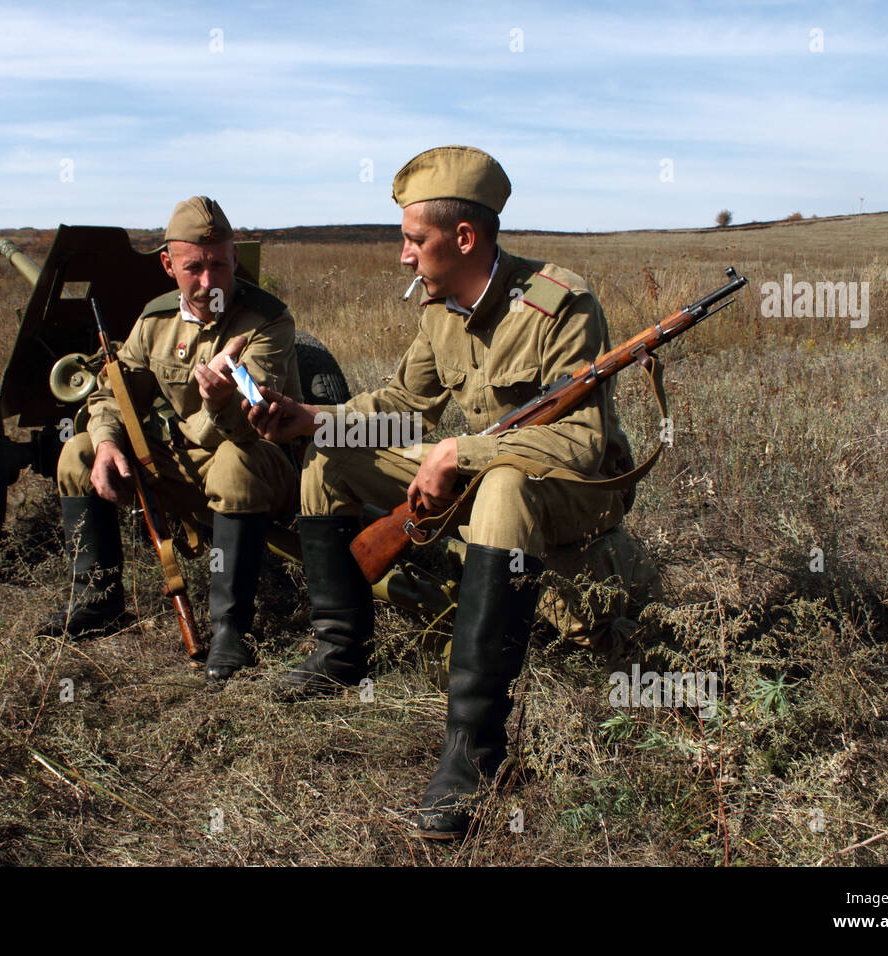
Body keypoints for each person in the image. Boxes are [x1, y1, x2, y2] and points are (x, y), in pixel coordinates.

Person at [246, 146, 655, 838]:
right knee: (332, 459)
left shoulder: (560, 303)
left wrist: (462, 454)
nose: (404, 256)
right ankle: (340, 651)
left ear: (463, 238)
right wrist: (310, 419)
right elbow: (405, 405)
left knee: (500, 486)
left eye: (414, 240)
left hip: (572, 488)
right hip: (482, 470)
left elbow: (584, 444)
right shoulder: (440, 310)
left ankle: (474, 753)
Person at [40, 196, 301, 685]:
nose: (208, 282)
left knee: (234, 463)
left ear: (234, 260)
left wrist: (221, 400)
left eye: (219, 265)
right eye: (194, 268)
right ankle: (96, 601)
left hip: (258, 463)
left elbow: (256, 422)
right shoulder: (154, 321)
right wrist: (108, 442)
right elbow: (114, 396)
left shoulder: (265, 322)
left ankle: (230, 631)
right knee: (78, 453)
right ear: (168, 265)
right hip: (178, 463)